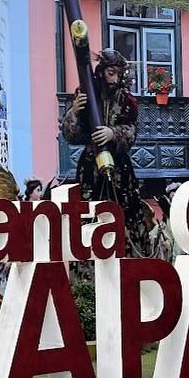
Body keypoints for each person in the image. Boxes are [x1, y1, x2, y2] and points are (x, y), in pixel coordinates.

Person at [60, 48, 149, 257]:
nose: (115, 79)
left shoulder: (127, 100)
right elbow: (70, 136)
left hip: (119, 164)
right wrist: (73, 112)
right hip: (91, 165)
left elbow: (132, 132)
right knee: (88, 209)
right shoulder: (85, 94)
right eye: (111, 73)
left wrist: (113, 133)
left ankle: (128, 254)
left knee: (125, 208)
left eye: (118, 74)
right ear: (101, 71)